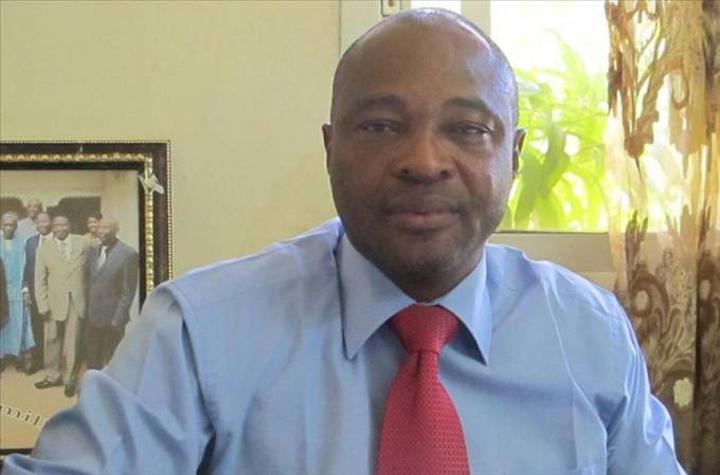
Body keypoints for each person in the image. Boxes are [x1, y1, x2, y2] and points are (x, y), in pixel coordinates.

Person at [1, 9, 686, 475]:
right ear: (330, 149)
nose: (424, 160)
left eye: (468, 129)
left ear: (514, 155)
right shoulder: (199, 331)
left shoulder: (586, 332)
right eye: (381, 126)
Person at [32, 215, 91, 398]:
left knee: (73, 342)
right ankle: (52, 376)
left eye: (64, 224)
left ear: (69, 225)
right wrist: (42, 304)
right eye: (57, 225)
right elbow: (39, 279)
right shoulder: (44, 248)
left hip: (76, 300)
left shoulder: (83, 242)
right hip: (53, 301)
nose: (60, 228)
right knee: (51, 340)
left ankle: (70, 380)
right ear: (52, 227)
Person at [84, 218, 138, 369]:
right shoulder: (93, 250)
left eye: (106, 228)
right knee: (93, 359)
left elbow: (128, 291)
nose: (101, 231)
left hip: (112, 319)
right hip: (92, 316)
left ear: (116, 231)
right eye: (99, 228)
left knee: (113, 361)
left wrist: (117, 319)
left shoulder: (128, 254)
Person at [0, 212, 35, 373]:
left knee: (18, 323)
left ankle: (17, 356)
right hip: (1, 291)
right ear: (1, 225)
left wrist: (25, 289)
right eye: (5, 224)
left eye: (12, 225)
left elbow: (27, 267)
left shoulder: (23, 243)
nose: (8, 228)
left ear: (16, 226)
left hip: (17, 290)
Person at [21, 211, 53, 375]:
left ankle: (54, 364)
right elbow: (26, 267)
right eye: (39, 222)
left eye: (45, 221)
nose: (42, 225)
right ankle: (38, 361)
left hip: (55, 291)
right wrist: (25, 288)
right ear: (36, 224)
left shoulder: (57, 240)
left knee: (55, 329)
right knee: (36, 327)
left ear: (50, 222)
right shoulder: (30, 242)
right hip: (34, 291)